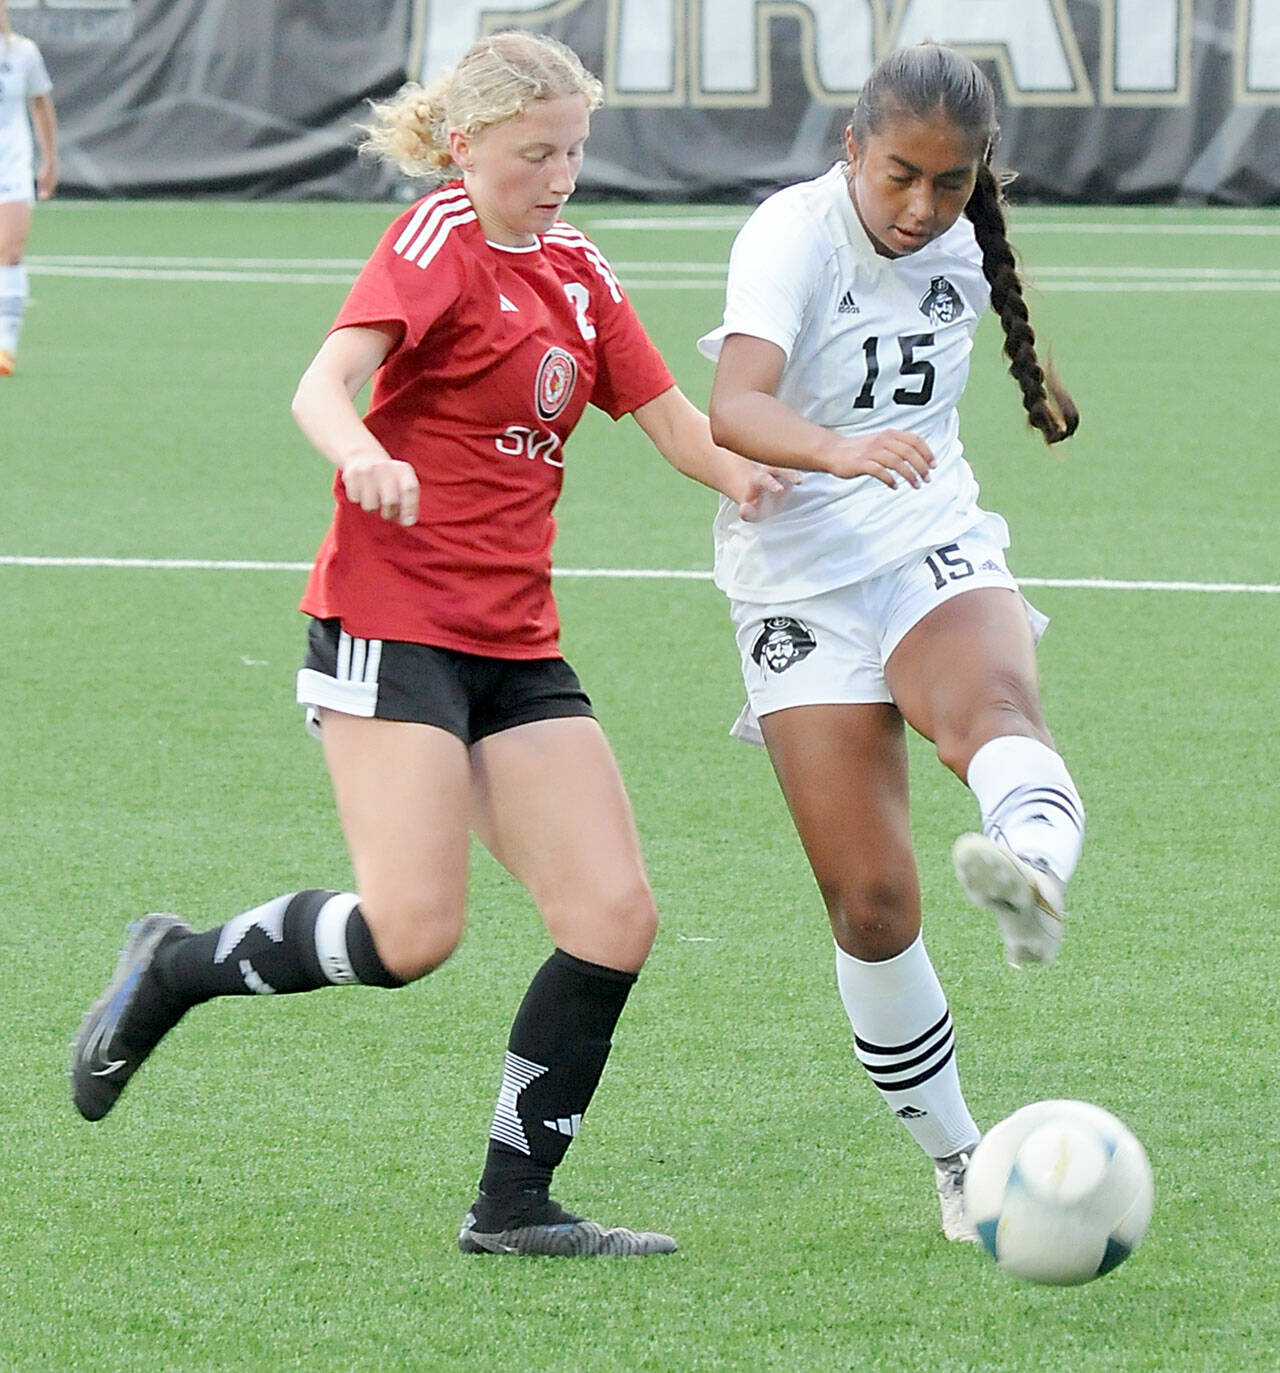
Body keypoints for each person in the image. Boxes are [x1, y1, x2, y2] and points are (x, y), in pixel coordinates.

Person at [71, 31, 784, 1259]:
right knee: (412, 935)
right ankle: (176, 966)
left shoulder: (575, 267)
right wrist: (362, 453)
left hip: (514, 641)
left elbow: (668, 418)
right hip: (388, 622)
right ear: (464, 145)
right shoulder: (435, 240)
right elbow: (320, 383)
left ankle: (511, 1207)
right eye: (534, 152)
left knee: (613, 913)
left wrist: (762, 481)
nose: (560, 175)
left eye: (574, 149)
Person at [699, 43, 1085, 1242]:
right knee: (869, 904)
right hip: (796, 588)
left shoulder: (961, 245)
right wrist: (833, 451)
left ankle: (1032, 878)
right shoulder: (787, 235)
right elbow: (735, 406)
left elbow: (972, 320)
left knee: (995, 720)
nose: (922, 207)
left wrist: (1018, 400)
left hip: (928, 542)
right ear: (851, 149)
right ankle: (959, 1160)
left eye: (951, 183)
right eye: (899, 177)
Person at [0, 0, 57, 376]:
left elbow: (41, 105)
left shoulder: (22, 53)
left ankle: (5, 346)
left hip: (11, 165)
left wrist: (49, 158)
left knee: (10, 251)